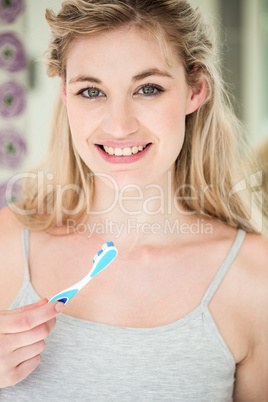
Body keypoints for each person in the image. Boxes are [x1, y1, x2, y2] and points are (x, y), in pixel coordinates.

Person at [0, 0, 267, 400]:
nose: (119, 125)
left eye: (148, 89)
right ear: (66, 95)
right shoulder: (4, 245)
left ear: (196, 90)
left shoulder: (255, 277)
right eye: (92, 91)